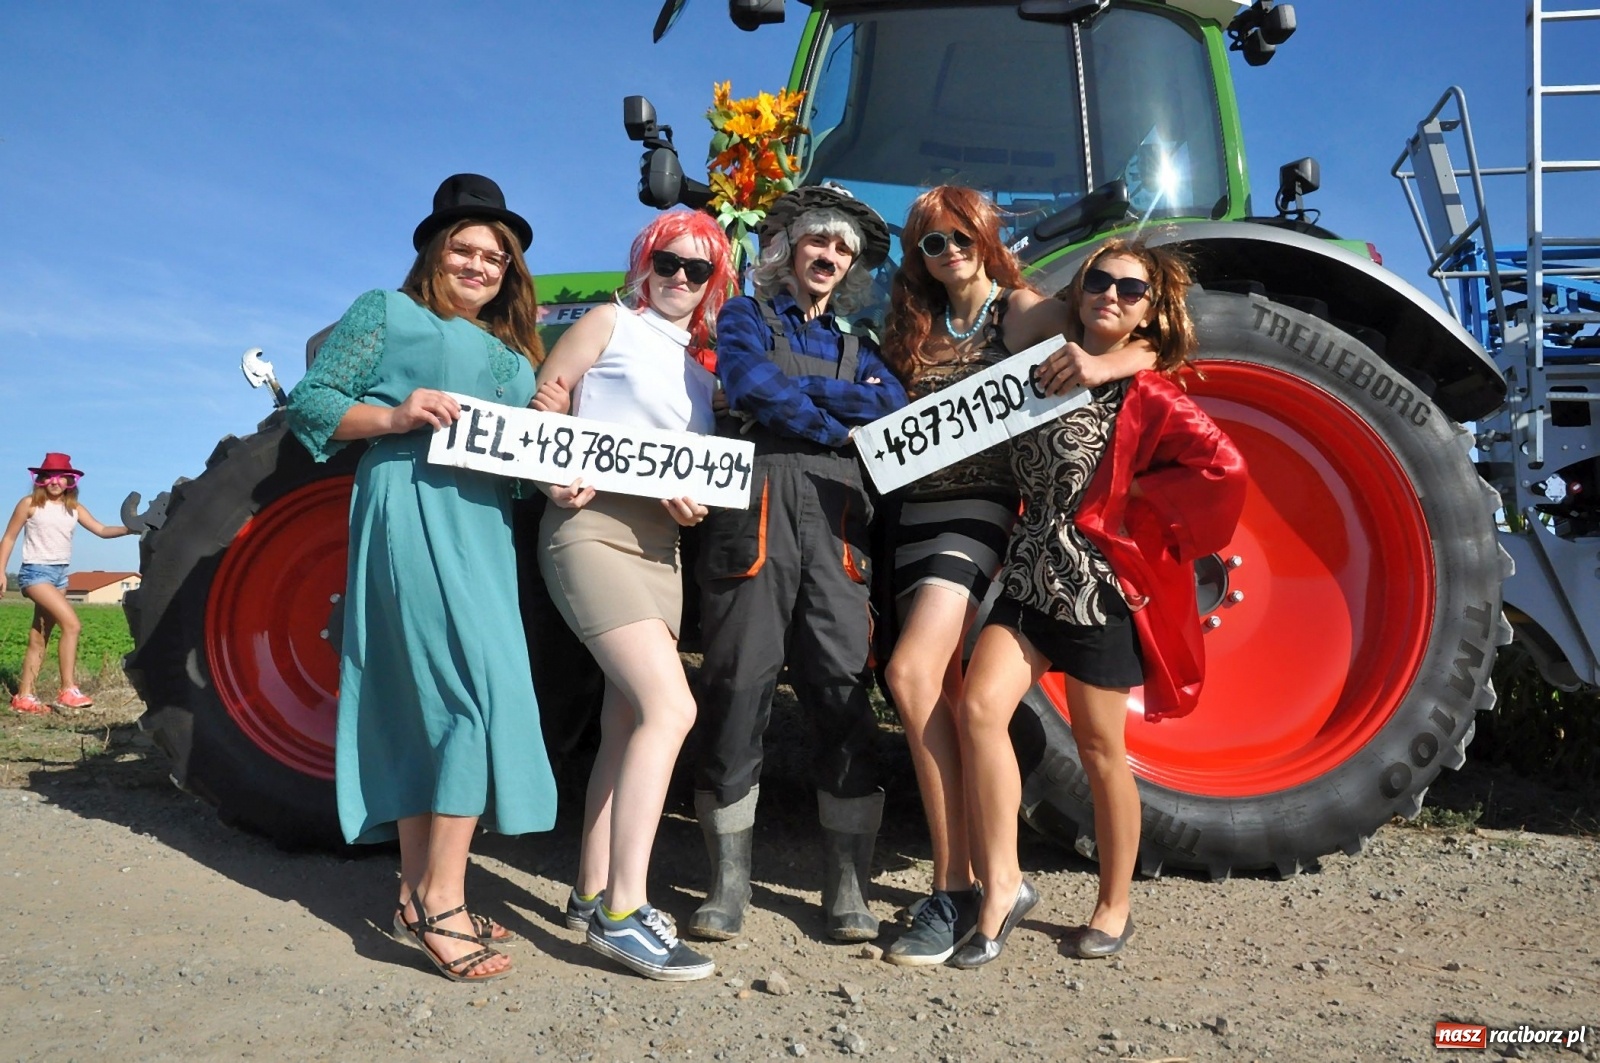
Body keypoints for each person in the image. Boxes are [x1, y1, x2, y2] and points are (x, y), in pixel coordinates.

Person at [285, 173, 558, 984]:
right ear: (434, 253)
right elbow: (312, 403)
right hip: (407, 502)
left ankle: (414, 891)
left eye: (495, 257)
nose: (479, 265)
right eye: (464, 249)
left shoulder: (515, 355)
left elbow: (518, 465)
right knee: (466, 698)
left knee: (442, 703)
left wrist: (556, 470)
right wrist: (399, 414)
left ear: (509, 273)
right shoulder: (386, 312)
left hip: (483, 525)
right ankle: (443, 898)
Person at [876, 187, 1158, 966]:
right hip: (930, 526)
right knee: (956, 698)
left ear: (987, 236)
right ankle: (991, 878)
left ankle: (964, 886)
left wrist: (1120, 356)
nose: (951, 250)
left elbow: (1128, 330)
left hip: (988, 518)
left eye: (963, 235)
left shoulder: (1022, 309)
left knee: (915, 676)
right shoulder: (913, 324)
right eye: (933, 242)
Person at [949, 237, 1247, 969]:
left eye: (1130, 289)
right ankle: (1003, 885)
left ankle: (1115, 903)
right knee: (978, 708)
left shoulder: (1146, 390)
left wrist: (1137, 511)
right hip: (1028, 573)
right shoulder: (1040, 366)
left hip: (1096, 589)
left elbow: (1224, 469)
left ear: (1151, 307)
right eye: (1098, 281)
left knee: (1100, 751)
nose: (1110, 294)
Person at [689, 184, 908, 944]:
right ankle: (726, 883)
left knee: (842, 687)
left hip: (837, 519)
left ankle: (846, 884)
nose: (830, 256)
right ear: (791, 247)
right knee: (737, 683)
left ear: (851, 268)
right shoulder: (746, 313)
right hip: (755, 507)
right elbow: (747, 381)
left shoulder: (866, 346)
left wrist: (811, 401)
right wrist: (829, 413)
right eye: (820, 241)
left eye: (843, 249)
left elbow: (891, 407)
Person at [530, 210, 735, 981]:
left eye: (698, 270)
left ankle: (589, 892)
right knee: (670, 706)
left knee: (625, 719)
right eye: (669, 262)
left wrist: (694, 502)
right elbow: (548, 395)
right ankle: (624, 911)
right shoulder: (609, 320)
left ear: (716, 280)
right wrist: (552, 467)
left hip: (661, 544)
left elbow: (696, 467)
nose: (681, 278)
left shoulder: (704, 367)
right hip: (590, 528)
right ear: (645, 261)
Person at [1, 453, 131, 714]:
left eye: (62, 476)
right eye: (49, 476)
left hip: (60, 575)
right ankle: (68, 690)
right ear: (40, 480)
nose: (55, 481)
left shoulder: (74, 509)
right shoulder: (29, 504)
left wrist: (133, 528)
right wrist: (1, 572)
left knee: (40, 636)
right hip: (35, 574)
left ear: (70, 481)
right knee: (72, 624)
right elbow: (9, 538)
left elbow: (102, 531)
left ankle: (24, 696)